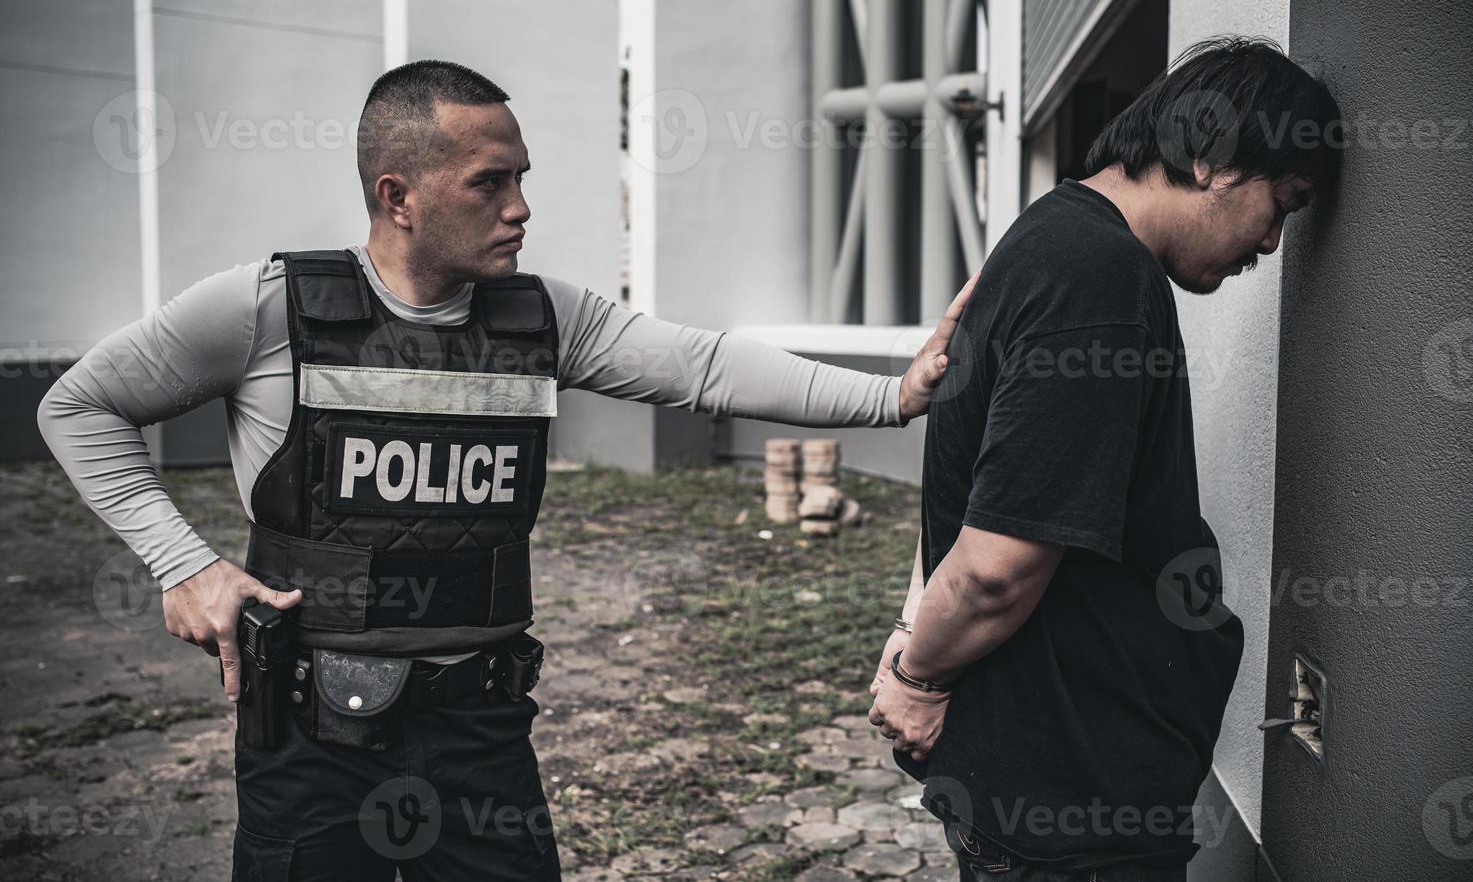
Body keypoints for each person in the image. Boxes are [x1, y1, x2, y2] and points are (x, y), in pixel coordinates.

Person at [38, 59, 977, 881]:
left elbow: (704, 366)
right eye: (489, 184)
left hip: (480, 729)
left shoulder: (540, 317)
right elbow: (78, 404)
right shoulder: (268, 307)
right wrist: (185, 566)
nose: (520, 207)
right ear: (397, 196)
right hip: (309, 737)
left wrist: (893, 396)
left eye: (521, 179)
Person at [867, 37, 1343, 880]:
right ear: (1210, 157)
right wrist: (916, 677)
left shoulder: (1048, 231)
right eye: (1284, 202)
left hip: (1049, 778)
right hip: (1075, 801)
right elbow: (993, 569)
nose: (1272, 243)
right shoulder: (1099, 279)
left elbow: (977, 482)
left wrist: (910, 638)